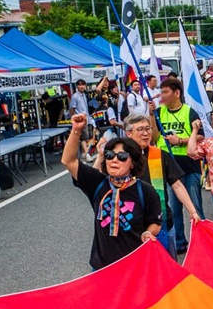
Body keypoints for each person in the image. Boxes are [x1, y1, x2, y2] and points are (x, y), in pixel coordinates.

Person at [61, 114, 164, 270]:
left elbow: (155, 222)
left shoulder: (146, 191)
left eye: (121, 156)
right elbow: (68, 161)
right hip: (101, 267)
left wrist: (148, 233)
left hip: (136, 266)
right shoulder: (97, 183)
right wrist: (76, 130)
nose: (114, 160)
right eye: (110, 155)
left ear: (132, 163)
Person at [113, 114, 200, 257]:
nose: (146, 133)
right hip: (130, 225)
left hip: (162, 221)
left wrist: (192, 211)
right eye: (140, 129)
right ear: (128, 133)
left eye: (148, 129)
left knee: (168, 268)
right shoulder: (118, 158)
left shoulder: (160, 155)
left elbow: (177, 185)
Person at [155, 79, 205, 253]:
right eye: (160, 92)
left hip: (188, 164)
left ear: (176, 93)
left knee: (195, 206)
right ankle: (180, 242)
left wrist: (180, 141)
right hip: (167, 164)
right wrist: (148, 112)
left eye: (165, 92)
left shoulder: (190, 112)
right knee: (174, 207)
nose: (162, 96)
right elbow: (154, 136)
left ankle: (203, 239)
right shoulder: (158, 112)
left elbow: (200, 136)